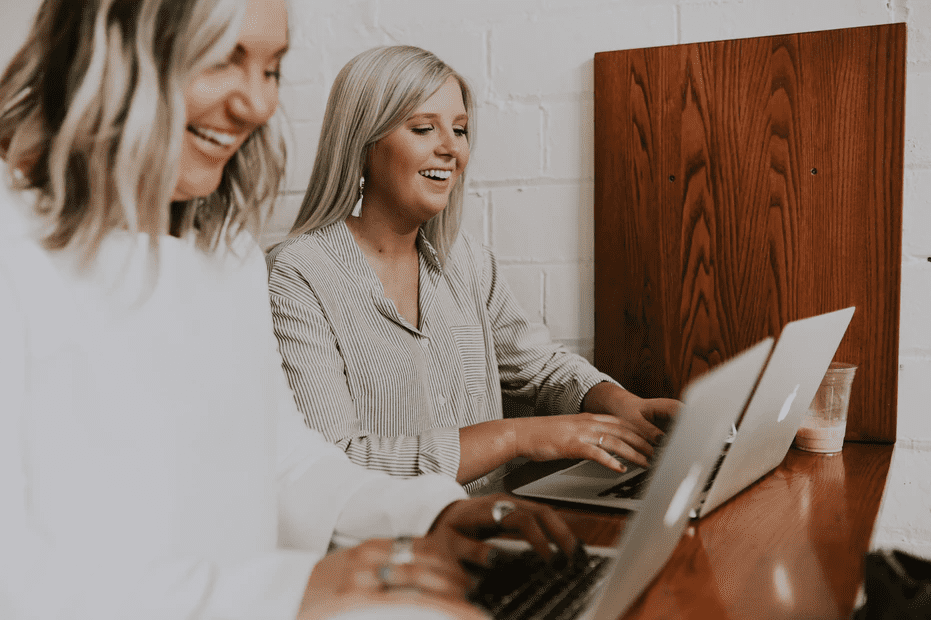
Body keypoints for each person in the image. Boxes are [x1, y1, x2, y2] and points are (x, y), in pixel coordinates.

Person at [0, 5, 577, 620]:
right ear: (111, 48)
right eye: (221, 58)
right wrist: (287, 592)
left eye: (272, 67)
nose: (257, 101)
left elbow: (284, 460)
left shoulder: (224, 253)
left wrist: (426, 514)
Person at [267, 45, 681, 485]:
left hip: (490, 533)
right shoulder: (296, 275)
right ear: (363, 143)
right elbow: (333, 465)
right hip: (389, 547)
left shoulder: (466, 262)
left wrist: (620, 403)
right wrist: (513, 438)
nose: (451, 149)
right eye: (424, 128)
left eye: (460, 130)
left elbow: (538, 368)